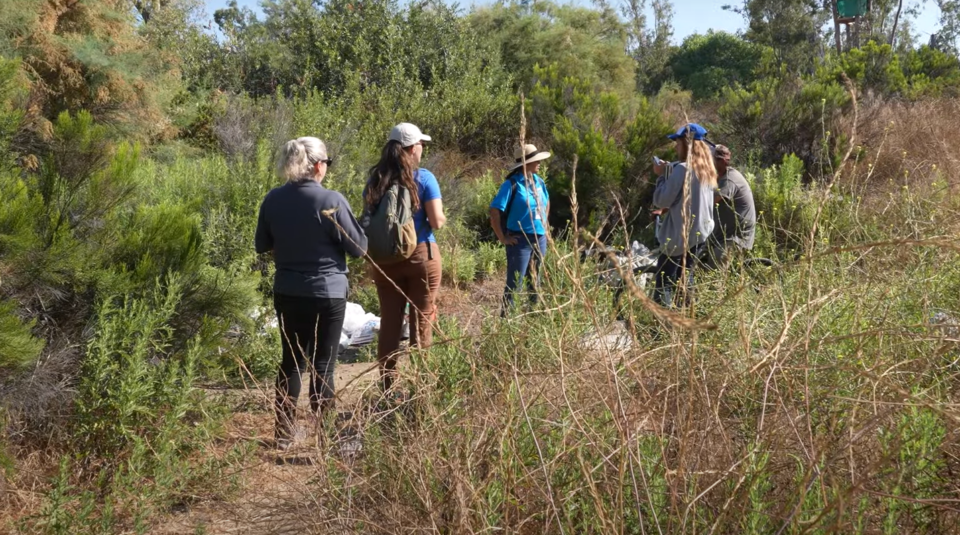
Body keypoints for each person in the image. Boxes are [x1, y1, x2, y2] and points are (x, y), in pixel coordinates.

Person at [255, 137, 367, 450]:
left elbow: (262, 244)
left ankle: (283, 434)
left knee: (290, 363)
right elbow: (359, 248)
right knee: (324, 365)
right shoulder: (330, 200)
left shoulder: (273, 199)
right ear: (318, 165)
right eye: (327, 164)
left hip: (289, 289)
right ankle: (327, 436)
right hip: (328, 292)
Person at [366, 123, 446, 395]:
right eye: (421, 144)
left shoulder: (375, 179)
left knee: (389, 323)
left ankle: (388, 388)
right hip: (421, 256)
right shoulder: (424, 178)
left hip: (384, 262)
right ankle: (422, 389)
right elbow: (436, 220)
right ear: (413, 149)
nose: (423, 148)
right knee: (421, 321)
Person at [651, 123, 717, 308]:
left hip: (680, 237)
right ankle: (687, 318)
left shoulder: (682, 169)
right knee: (685, 280)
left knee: (664, 282)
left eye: (678, 143)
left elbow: (661, 200)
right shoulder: (707, 169)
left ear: (687, 145)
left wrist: (661, 175)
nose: (675, 147)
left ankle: (661, 327)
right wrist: (669, 169)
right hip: (699, 235)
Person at [489, 144, 551, 316]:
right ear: (526, 163)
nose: (539, 163)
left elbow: (546, 202)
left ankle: (535, 319)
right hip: (519, 241)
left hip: (540, 238)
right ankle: (507, 324)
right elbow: (494, 210)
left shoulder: (539, 182)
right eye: (535, 160)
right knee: (515, 283)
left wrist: (544, 225)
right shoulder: (512, 184)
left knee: (536, 281)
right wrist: (503, 238)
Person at [704, 144, 756, 269]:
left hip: (736, 237)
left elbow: (711, 201)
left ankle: (718, 287)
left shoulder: (730, 179)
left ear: (721, 161)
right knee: (697, 257)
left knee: (716, 264)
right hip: (721, 235)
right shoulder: (719, 177)